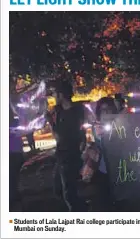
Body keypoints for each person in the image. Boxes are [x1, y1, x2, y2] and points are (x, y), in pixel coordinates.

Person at [46, 80, 87, 212]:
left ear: (61, 95)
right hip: (62, 156)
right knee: (59, 189)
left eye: (55, 95)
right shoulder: (63, 112)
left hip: (69, 156)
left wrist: (50, 123)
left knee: (69, 194)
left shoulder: (72, 114)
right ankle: (82, 207)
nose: (53, 98)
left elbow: (59, 137)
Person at [9, 107, 24, 211]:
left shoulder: (14, 122)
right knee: (14, 176)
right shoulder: (16, 121)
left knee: (11, 176)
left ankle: (13, 197)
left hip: (12, 153)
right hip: (17, 152)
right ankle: (14, 195)